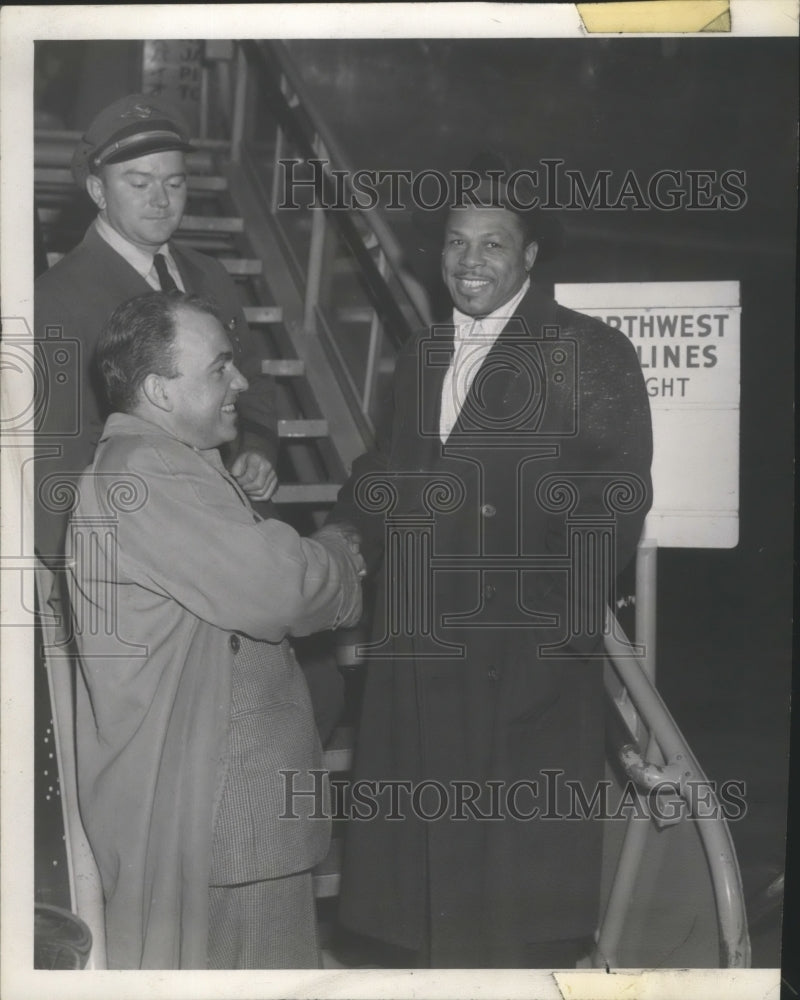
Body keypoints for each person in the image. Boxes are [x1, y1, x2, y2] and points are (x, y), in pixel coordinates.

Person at [328, 165, 653, 967]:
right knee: (419, 901)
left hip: (517, 661)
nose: (469, 261)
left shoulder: (590, 352)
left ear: (531, 254)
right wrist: (343, 527)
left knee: (507, 909)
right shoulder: (422, 352)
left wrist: (555, 634)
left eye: (494, 244)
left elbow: (614, 500)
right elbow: (391, 467)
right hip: (418, 652)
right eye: (456, 241)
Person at [66, 291, 364, 969]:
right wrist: (344, 556)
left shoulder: (165, 464)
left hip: (235, 818)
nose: (243, 382)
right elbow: (280, 587)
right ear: (158, 390)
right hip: (230, 821)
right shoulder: (143, 472)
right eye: (220, 368)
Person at [35, 93, 278, 565]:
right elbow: (55, 465)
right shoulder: (54, 300)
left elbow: (254, 385)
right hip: (135, 554)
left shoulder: (211, 276)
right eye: (140, 183)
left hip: (225, 532)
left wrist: (258, 448)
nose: (161, 200)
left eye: (174, 182)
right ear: (98, 192)